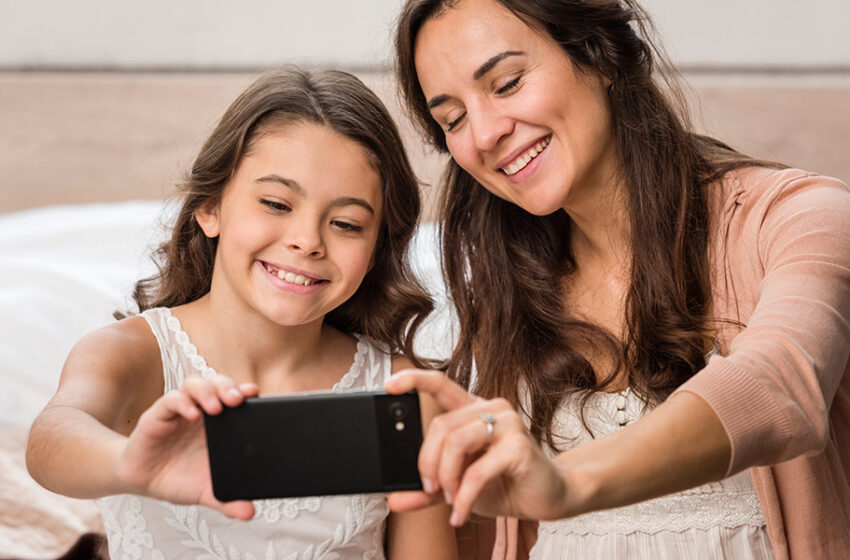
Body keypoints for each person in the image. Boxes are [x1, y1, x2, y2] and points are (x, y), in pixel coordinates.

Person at [384, 0, 850, 558]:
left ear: (600, 55)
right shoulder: (507, 284)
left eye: (507, 83)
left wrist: (565, 483)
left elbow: (780, 389)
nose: (482, 134)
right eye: (452, 119)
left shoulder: (799, 217)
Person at [25, 66, 458, 560]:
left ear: (378, 248)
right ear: (209, 207)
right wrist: (131, 464)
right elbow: (50, 441)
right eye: (276, 203)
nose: (307, 240)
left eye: (345, 223)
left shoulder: (401, 395)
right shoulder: (133, 355)